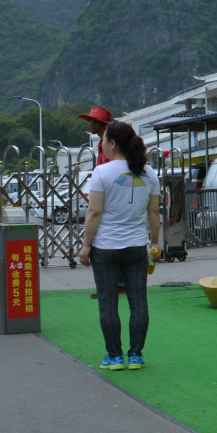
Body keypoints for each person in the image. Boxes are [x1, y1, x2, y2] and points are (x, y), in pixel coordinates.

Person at [80, 120, 161, 370]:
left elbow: (94, 213)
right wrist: (155, 243)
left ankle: (114, 357)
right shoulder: (149, 173)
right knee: (138, 302)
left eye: (103, 140)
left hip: (105, 249)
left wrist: (85, 246)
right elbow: (154, 213)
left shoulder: (102, 173)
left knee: (108, 303)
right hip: (137, 247)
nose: (101, 144)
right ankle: (135, 355)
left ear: (112, 144)